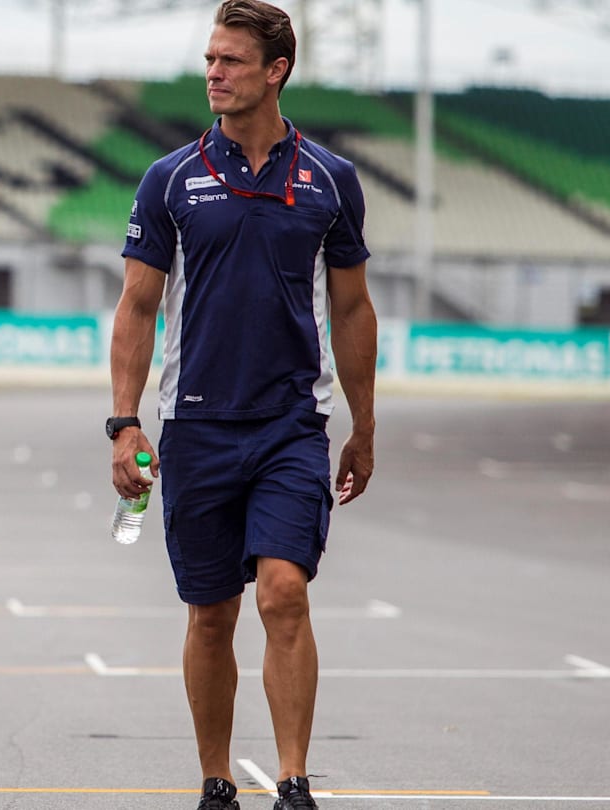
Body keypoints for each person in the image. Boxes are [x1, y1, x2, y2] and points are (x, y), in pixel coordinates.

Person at [108, 2, 377, 809]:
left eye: (230, 61)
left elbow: (354, 308)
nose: (213, 74)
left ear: (275, 71)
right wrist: (125, 424)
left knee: (283, 591)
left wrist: (363, 425)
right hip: (194, 429)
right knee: (211, 615)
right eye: (210, 60)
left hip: (293, 426)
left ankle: (294, 780)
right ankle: (216, 778)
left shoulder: (333, 179)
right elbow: (136, 307)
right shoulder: (170, 179)